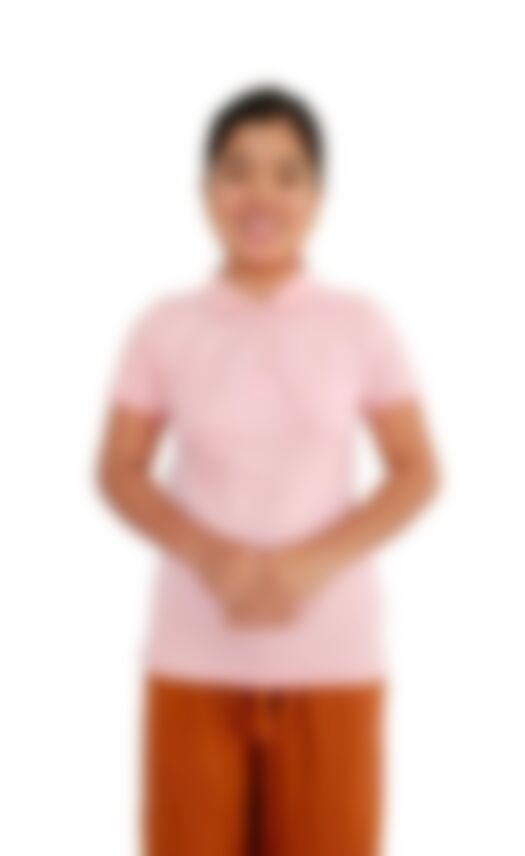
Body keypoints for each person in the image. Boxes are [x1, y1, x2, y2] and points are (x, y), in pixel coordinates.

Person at [98, 86, 439, 856]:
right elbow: (119, 468)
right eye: (238, 171)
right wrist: (210, 556)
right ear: (205, 189)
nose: (260, 195)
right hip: (193, 649)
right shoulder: (165, 327)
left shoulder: (358, 324)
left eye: (286, 174)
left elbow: (415, 468)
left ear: (317, 195)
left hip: (332, 656)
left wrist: (311, 562)